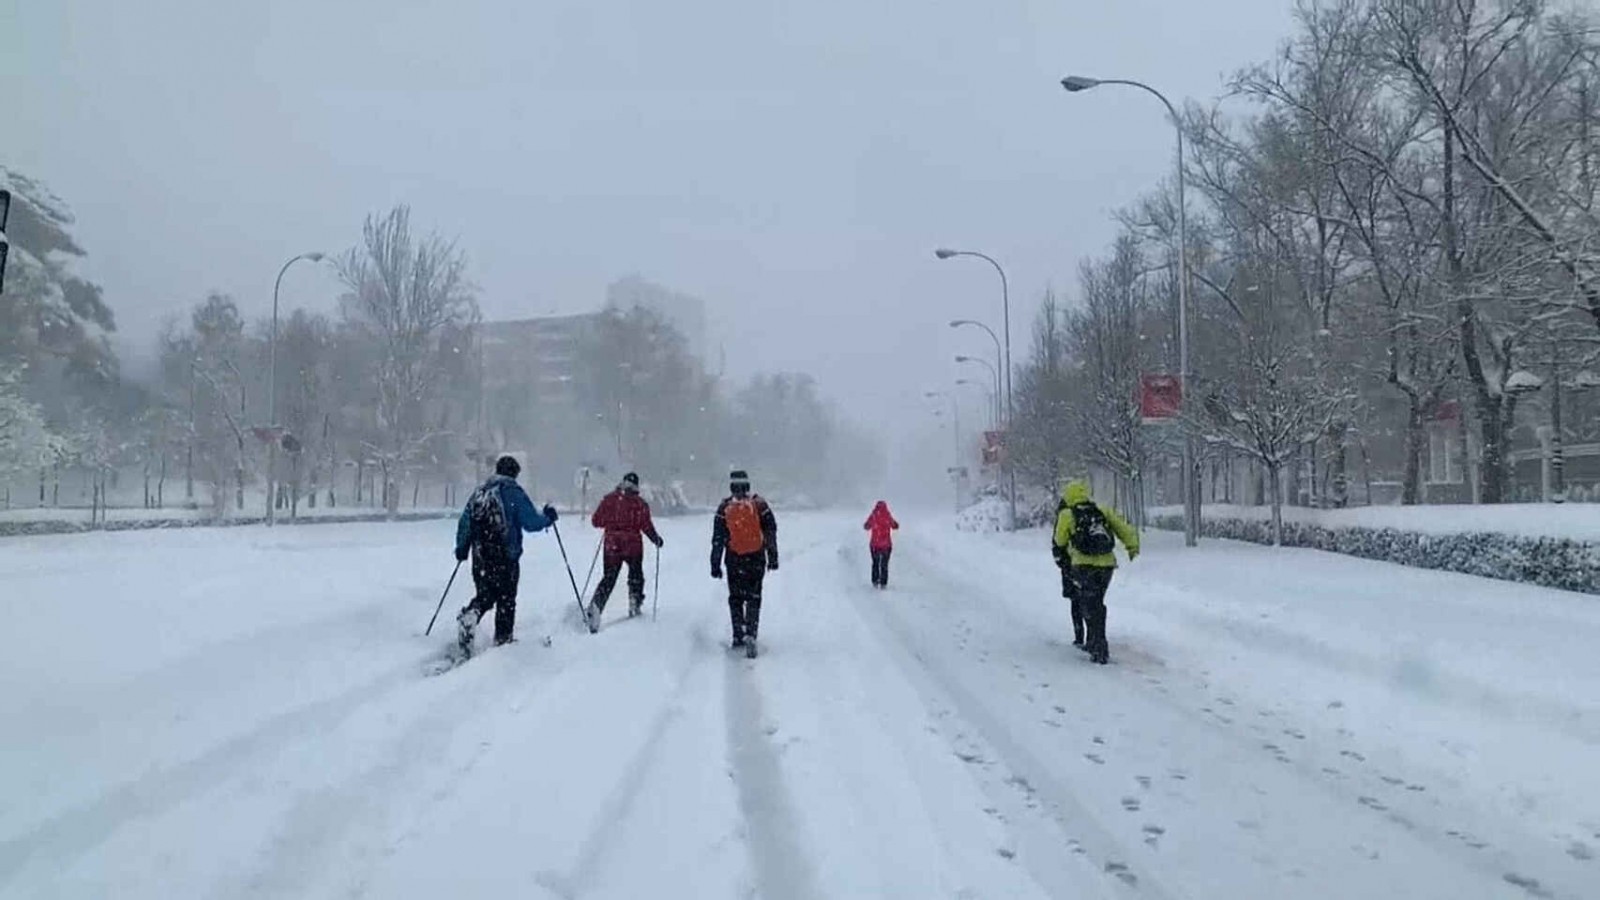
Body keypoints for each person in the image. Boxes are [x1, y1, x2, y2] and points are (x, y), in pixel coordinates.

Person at [453, 455, 559, 652]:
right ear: (515, 473)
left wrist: (462, 548)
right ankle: (503, 642)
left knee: (486, 594)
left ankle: (472, 613)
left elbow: (465, 521)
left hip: (480, 555)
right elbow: (531, 522)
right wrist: (548, 518)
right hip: (505, 555)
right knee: (506, 599)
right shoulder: (513, 492)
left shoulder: (481, 492)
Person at [1051, 479, 1139, 665]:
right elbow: (1123, 528)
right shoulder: (1101, 510)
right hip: (1106, 566)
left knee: (1090, 604)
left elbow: (1059, 540)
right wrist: (1132, 546)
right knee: (1096, 601)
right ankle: (1095, 642)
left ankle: (1099, 646)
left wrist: (1064, 555)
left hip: (1083, 566)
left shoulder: (1067, 514)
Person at [711, 469, 778, 658]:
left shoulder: (724, 508)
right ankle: (751, 633)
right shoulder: (760, 505)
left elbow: (718, 539)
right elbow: (771, 530)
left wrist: (715, 564)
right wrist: (772, 556)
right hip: (756, 558)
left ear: (731, 486)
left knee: (736, 598)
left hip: (734, 559)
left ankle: (738, 634)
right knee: (754, 597)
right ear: (748, 485)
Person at [586, 471, 664, 631]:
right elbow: (646, 525)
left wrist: (610, 522)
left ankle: (596, 605)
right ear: (636, 485)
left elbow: (596, 521)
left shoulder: (609, 500)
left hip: (612, 545)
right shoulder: (639, 503)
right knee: (636, 575)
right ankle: (635, 601)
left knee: (609, 578)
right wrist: (656, 539)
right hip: (632, 545)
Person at [1050, 495, 1084, 647]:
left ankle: (1079, 636)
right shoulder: (1089, 509)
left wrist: (1062, 564)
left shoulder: (1065, 514)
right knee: (1092, 601)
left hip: (1071, 564)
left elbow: (1058, 542)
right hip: (1094, 565)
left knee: (1075, 601)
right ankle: (1094, 638)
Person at [863, 500, 899, 588]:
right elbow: (895, 526)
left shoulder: (874, 515)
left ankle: (875, 581)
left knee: (875, 563)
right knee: (884, 564)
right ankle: (883, 582)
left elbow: (866, 526)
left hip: (875, 545)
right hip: (886, 545)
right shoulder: (887, 516)